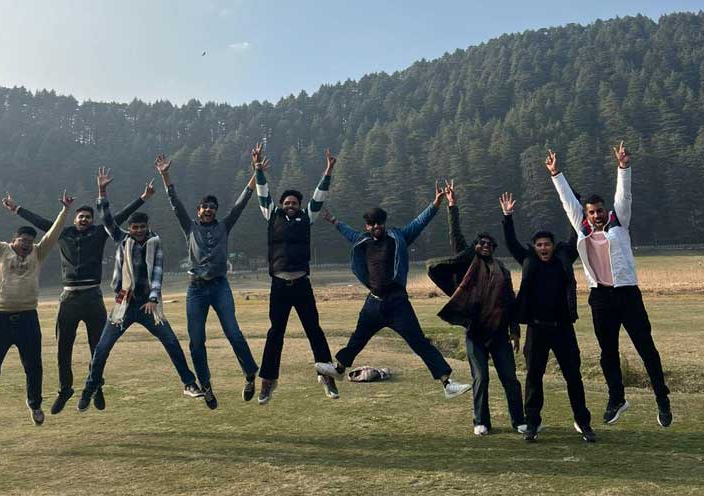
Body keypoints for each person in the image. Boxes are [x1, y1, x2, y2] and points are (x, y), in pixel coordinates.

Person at [2, 179, 155, 414]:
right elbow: (41, 223)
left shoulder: (99, 233)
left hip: (93, 297)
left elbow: (120, 217)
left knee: (98, 347)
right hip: (69, 299)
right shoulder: (63, 234)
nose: (84, 219)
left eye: (88, 217)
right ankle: (65, 389)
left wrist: (143, 198)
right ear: (75, 219)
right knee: (63, 348)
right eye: (81, 216)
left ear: (92, 220)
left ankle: (96, 387)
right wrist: (17, 209)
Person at [546, 143, 672, 427]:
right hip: (600, 297)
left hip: (627, 294)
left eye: (600, 211)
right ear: (587, 214)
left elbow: (623, 196)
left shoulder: (619, 223)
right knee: (608, 353)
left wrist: (623, 167)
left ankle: (662, 398)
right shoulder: (582, 228)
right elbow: (568, 201)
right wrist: (556, 174)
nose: (597, 215)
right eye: (592, 212)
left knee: (646, 348)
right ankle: (617, 398)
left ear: (606, 210)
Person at [320, 183, 472, 400]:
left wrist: (436, 204)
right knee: (358, 339)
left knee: (419, 342)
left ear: (384, 223)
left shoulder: (398, 237)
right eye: (372, 224)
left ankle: (447, 383)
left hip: (397, 304)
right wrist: (334, 221)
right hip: (373, 303)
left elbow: (418, 223)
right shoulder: (363, 240)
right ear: (367, 226)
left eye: (379, 223)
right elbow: (348, 232)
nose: (376, 227)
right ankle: (339, 369)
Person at [76, 167, 199, 412]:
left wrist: (153, 298)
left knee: (171, 342)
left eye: (142, 227)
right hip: (124, 302)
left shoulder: (155, 242)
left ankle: (189, 383)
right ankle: (90, 387)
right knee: (102, 348)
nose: (139, 230)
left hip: (148, 305)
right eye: (135, 227)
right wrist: (102, 191)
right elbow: (107, 219)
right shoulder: (122, 239)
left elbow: (157, 273)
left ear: (147, 227)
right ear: (130, 229)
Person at [155, 154, 258, 410]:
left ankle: (249, 375)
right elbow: (175, 203)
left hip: (220, 286)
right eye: (205, 206)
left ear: (216, 211)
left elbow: (241, 203)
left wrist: (256, 172)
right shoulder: (190, 227)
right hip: (196, 289)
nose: (209, 209)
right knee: (196, 340)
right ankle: (206, 385)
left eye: (213, 207)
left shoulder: (224, 226)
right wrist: (165, 175)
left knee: (233, 333)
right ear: (198, 211)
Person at [0, 186, 71, 440]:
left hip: (28, 318)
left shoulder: (38, 253)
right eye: (22, 241)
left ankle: (34, 404)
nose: (26, 245)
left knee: (34, 367)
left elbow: (53, 234)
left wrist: (65, 211)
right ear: (14, 240)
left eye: (29, 242)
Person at [427, 181, 525, 436]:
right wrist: (452, 205)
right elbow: (456, 237)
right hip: (475, 332)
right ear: (475, 246)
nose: (484, 245)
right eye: (480, 242)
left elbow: (510, 302)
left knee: (510, 379)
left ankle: (519, 421)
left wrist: (515, 331)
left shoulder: (503, 271)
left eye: (488, 243)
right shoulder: (468, 266)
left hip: (499, 333)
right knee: (481, 377)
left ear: (494, 248)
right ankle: (480, 422)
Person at [499, 191, 595, 442]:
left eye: (547, 244)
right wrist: (507, 216)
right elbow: (511, 243)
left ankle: (583, 422)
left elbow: (576, 234)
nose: (543, 248)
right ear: (535, 248)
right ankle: (532, 423)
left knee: (573, 376)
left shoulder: (564, 258)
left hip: (563, 328)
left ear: (553, 246)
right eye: (539, 245)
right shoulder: (528, 260)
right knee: (534, 377)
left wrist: (574, 204)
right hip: (537, 329)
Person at [251, 143, 339, 404]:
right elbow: (263, 194)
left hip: (301, 284)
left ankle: (326, 376)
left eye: (295, 203)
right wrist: (258, 170)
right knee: (275, 333)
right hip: (279, 285)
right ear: (281, 205)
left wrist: (328, 171)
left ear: (300, 206)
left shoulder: (306, 218)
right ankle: (268, 381)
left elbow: (319, 196)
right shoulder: (272, 216)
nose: (291, 205)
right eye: (287, 202)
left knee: (314, 330)